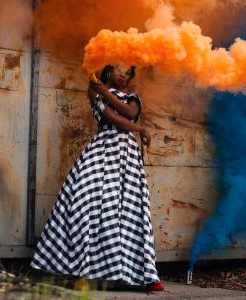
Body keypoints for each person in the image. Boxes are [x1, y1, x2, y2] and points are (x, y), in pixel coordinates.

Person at [30, 63, 164, 291]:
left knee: (128, 211)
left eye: (128, 74)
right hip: (102, 149)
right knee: (82, 201)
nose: (125, 76)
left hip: (126, 155)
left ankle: (142, 275)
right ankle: (77, 271)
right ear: (109, 71)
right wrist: (139, 129)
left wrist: (107, 94)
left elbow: (130, 113)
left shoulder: (132, 97)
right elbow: (111, 118)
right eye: (121, 71)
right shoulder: (93, 91)